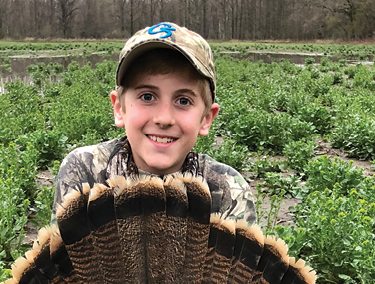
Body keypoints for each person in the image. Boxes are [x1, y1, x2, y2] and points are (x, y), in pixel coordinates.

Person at [53, 22, 256, 225]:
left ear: (206, 119)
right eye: (147, 97)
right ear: (119, 109)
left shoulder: (228, 189)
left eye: (183, 101)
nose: (164, 118)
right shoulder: (84, 170)